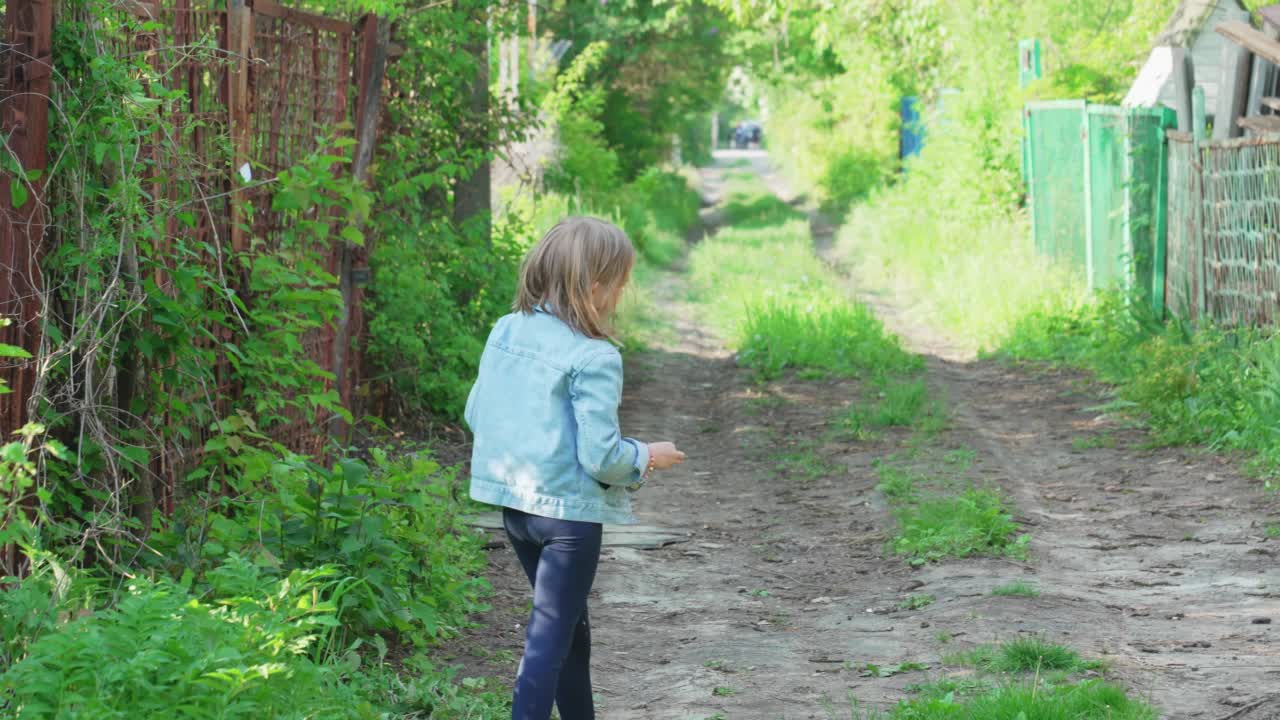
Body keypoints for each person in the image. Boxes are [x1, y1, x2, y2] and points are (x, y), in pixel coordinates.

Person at [465, 216, 687, 720]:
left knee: (569, 633)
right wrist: (648, 455)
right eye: (620, 284)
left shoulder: (505, 329)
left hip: (516, 511)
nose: (621, 295)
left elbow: (477, 413)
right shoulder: (595, 356)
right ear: (594, 286)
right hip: (567, 523)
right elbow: (602, 457)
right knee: (547, 640)